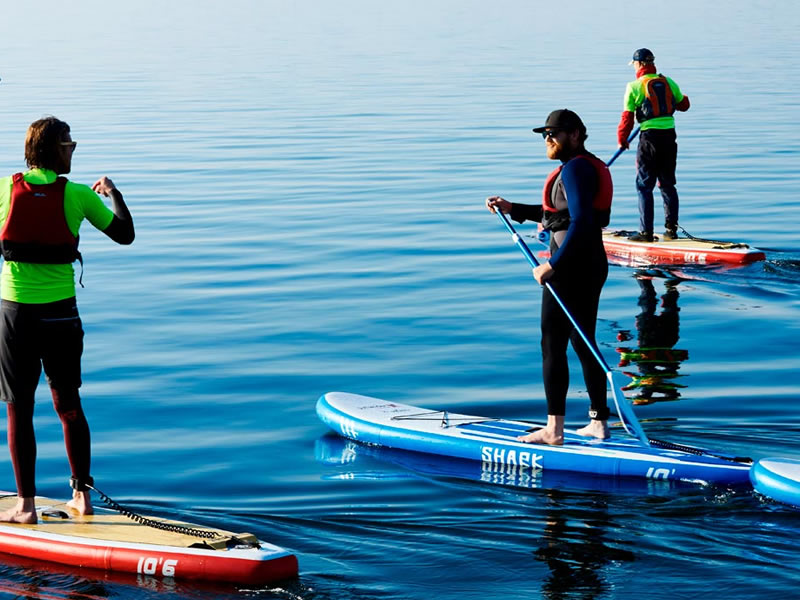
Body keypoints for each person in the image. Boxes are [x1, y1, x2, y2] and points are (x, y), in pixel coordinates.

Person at [0, 116, 134, 524]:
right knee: (69, 406)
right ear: (54, 150)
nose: (73, 150)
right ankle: (82, 497)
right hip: (61, 316)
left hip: (15, 315)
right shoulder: (78, 195)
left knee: (19, 409)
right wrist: (114, 194)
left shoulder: (5, 188)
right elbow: (125, 234)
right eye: (69, 144)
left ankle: (25, 507)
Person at [486, 109, 611, 445]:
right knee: (583, 342)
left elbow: (583, 221)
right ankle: (598, 422)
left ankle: (554, 430)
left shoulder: (575, 169)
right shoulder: (580, 167)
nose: (548, 139)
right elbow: (558, 216)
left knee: (552, 344)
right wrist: (515, 208)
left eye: (554, 133)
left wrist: (554, 265)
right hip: (588, 264)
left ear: (575, 134)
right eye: (545, 135)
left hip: (571, 268)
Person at [617, 48, 690, 242]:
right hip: (669, 137)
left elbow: (627, 119)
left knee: (644, 186)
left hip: (649, 138)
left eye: (634, 65)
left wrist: (622, 140)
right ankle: (671, 229)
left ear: (639, 64)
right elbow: (684, 105)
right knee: (667, 184)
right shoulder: (668, 82)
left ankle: (646, 233)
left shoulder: (633, 86)